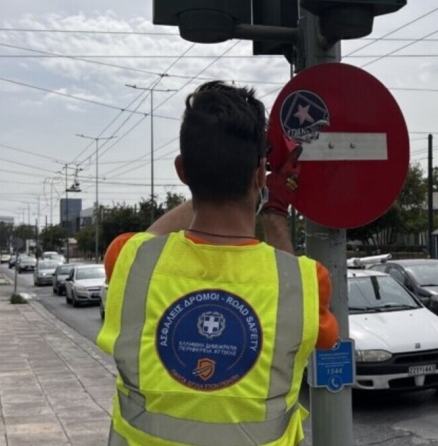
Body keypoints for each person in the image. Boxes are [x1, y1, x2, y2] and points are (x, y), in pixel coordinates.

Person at [96, 81, 339, 446]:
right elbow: (324, 338)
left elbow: (147, 240)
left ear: (182, 171)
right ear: (258, 174)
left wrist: (205, 178)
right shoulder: (305, 284)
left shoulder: (129, 261)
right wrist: (274, 209)